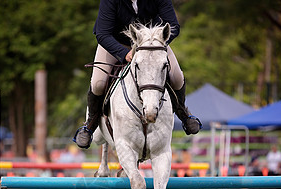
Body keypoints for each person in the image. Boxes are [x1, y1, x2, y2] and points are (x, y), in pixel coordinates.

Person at [73, 0, 201, 149]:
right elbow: (103, 34)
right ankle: (90, 124)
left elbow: (173, 26)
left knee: (177, 77)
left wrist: (156, 44)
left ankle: (183, 113)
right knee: (98, 83)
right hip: (115, 44)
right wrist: (123, 53)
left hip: (151, 44)